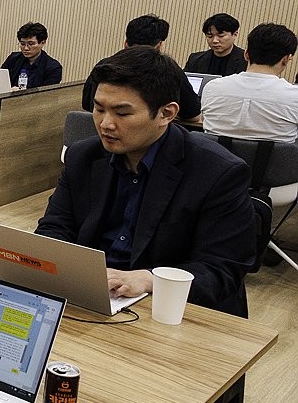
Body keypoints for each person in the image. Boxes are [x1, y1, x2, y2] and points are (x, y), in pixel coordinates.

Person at [38, 46, 255, 316]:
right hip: (94, 298)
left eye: (122, 113)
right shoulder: (84, 156)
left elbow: (221, 270)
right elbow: (54, 228)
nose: (105, 124)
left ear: (166, 113)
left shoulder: (217, 172)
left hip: (170, 309)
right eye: (99, 109)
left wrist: (148, 279)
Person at [81, 14, 201, 122]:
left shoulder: (103, 65)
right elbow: (193, 115)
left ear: (126, 43)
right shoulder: (167, 69)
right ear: (159, 45)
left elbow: (86, 104)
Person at [201, 23, 298, 143]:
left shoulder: (212, 88)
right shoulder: (294, 97)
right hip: (272, 161)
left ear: (246, 54)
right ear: (286, 59)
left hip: (215, 161)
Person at [0, 22, 63, 88]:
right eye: (22, 44)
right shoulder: (13, 58)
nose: (26, 48)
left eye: (31, 44)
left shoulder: (53, 68)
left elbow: (46, 95)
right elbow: (0, 81)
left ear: (42, 43)